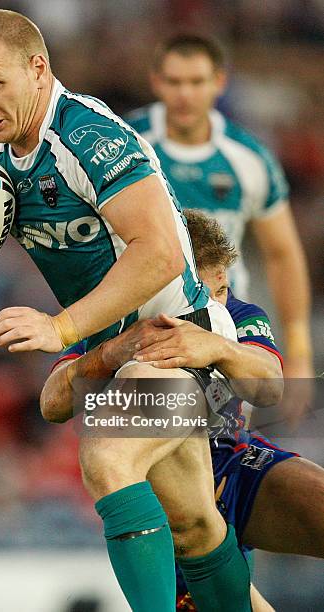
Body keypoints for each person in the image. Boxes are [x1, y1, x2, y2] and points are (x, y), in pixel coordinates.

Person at [0, 10, 250, 612]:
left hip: (178, 336)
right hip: (120, 354)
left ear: (37, 69)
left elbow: (160, 253)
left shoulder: (89, 137)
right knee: (195, 529)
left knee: (108, 452)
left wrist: (60, 327)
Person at [41, 210, 324, 610]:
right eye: (202, 294)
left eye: (221, 290)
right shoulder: (114, 321)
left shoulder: (238, 316)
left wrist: (219, 348)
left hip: (234, 468)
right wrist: (108, 355)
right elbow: (52, 403)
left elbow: (270, 386)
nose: (215, 305)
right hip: (166, 496)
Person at [125, 34, 314, 390]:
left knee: (222, 440)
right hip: (146, 318)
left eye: (196, 82)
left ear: (219, 82)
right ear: (156, 82)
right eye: (174, 81)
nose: (185, 94)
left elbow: (282, 253)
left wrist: (299, 350)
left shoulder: (249, 158)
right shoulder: (126, 143)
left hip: (226, 324)